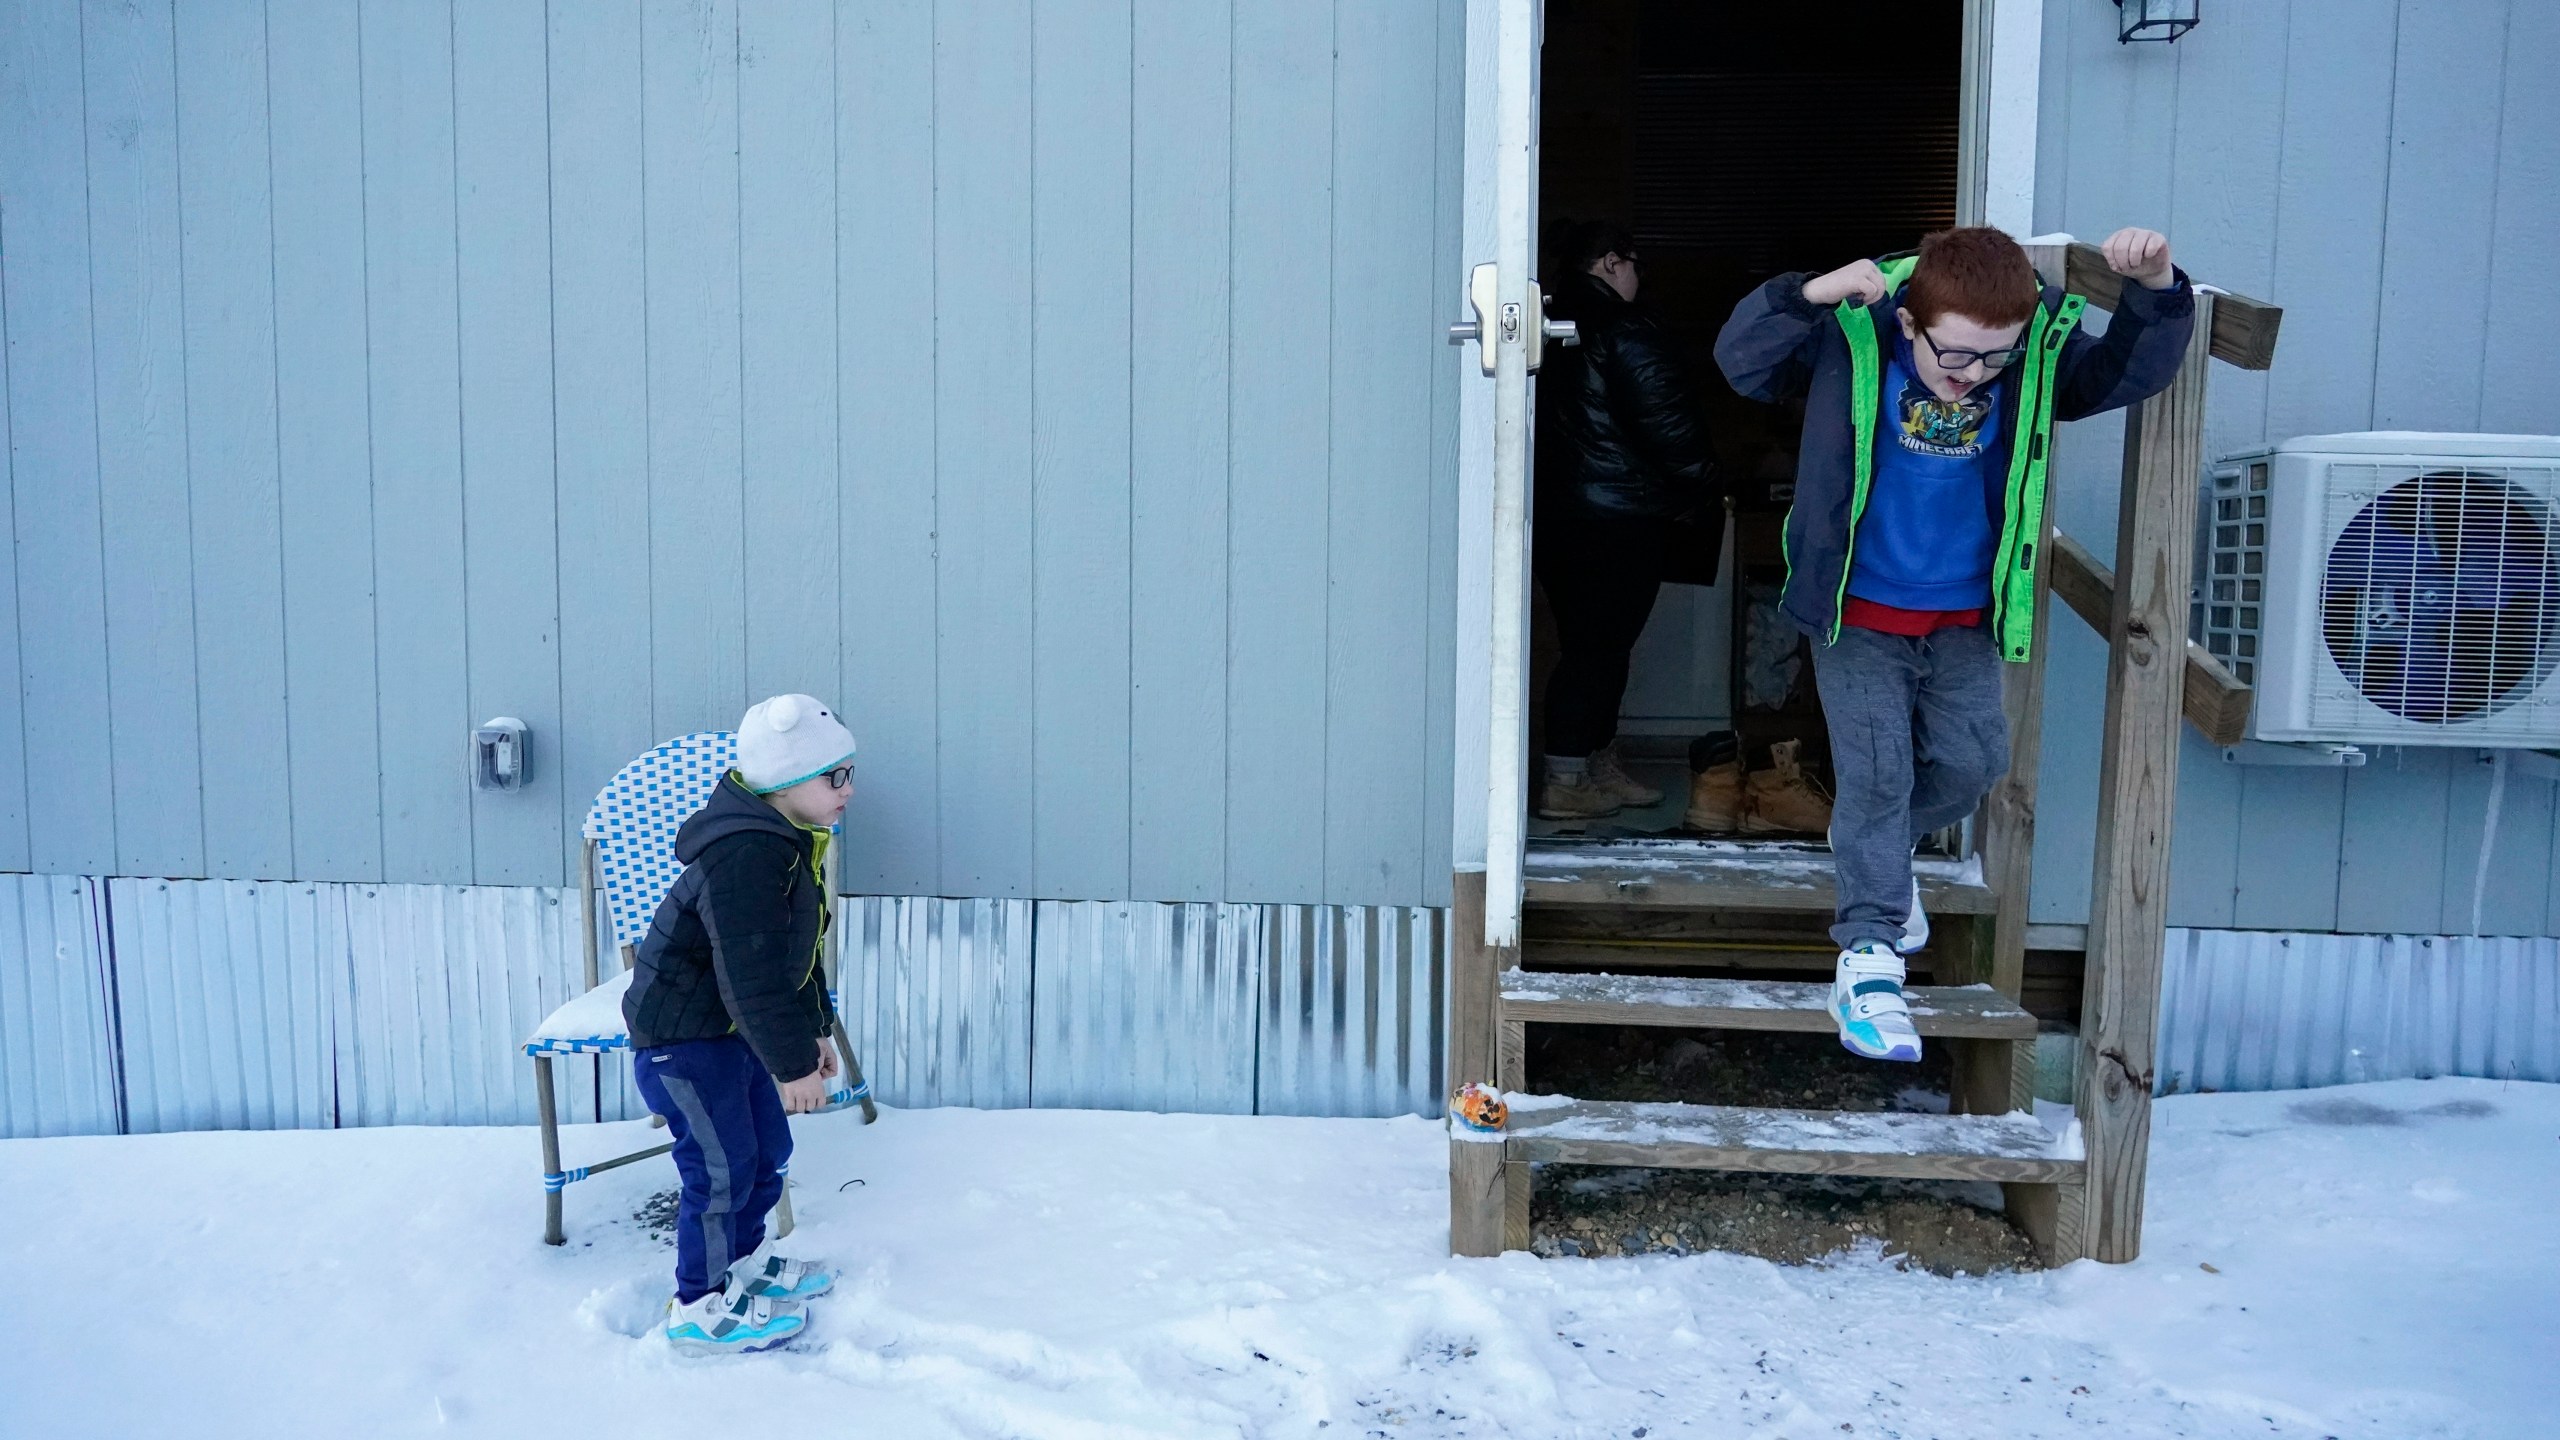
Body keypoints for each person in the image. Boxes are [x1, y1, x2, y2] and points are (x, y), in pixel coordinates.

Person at [1714, 226, 2194, 1063]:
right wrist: (1806, 292)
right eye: (1957, 355)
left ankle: (1876, 850)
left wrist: (2155, 289)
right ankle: (1867, 961)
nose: (1972, 375)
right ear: (1911, 322)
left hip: (1965, 615)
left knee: (1974, 765)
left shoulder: (2030, 359)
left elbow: (2123, 369)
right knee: (1879, 772)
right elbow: (1742, 362)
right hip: (1858, 614)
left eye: (1994, 359)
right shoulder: (1850, 340)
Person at [622, 693, 859, 1354]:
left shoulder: (789, 843)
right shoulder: (745, 856)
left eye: (848, 772)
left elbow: (796, 953)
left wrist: (813, 1033)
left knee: (764, 1157)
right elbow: (749, 976)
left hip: (727, 1034)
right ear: (785, 784)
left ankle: (743, 1269)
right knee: (721, 1170)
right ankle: (699, 1306)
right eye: (833, 776)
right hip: (684, 1042)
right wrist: (789, 1066)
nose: (849, 789)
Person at [1533, 220, 1721, 820]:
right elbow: (1668, 424)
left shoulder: (1544, 323)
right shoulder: (1624, 327)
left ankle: (1593, 766)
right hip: (1618, 515)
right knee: (1598, 650)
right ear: (1611, 263)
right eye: (1635, 264)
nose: (1639, 277)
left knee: (1591, 646)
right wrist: (1704, 483)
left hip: (1560, 514)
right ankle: (1568, 777)